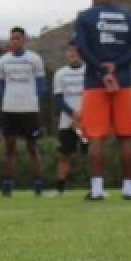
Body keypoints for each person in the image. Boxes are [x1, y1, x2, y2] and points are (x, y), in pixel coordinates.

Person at [74, 0, 131, 201]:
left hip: (95, 83)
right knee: (126, 137)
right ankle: (128, 188)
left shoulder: (85, 17)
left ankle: (96, 190)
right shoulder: (130, 18)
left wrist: (101, 71)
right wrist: (117, 67)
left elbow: (82, 48)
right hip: (123, 81)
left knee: (95, 137)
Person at [0, 27, 46, 197]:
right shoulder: (2, 61)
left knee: (32, 148)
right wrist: (10, 99)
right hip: (10, 110)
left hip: (30, 110)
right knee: (9, 149)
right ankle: (7, 185)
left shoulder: (35, 59)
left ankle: (38, 184)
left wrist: (29, 99)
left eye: (18, 38)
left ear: (24, 40)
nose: (14, 41)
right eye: (12, 38)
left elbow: (40, 86)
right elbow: (1, 85)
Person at [48, 41, 87, 198]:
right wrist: (72, 114)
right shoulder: (60, 73)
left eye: (75, 51)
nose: (72, 53)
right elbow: (58, 98)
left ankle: (96, 187)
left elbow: (93, 95)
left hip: (87, 120)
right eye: (69, 51)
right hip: (67, 122)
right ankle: (59, 189)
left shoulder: (89, 71)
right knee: (64, 155)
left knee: (92, 153)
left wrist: (82, 115)